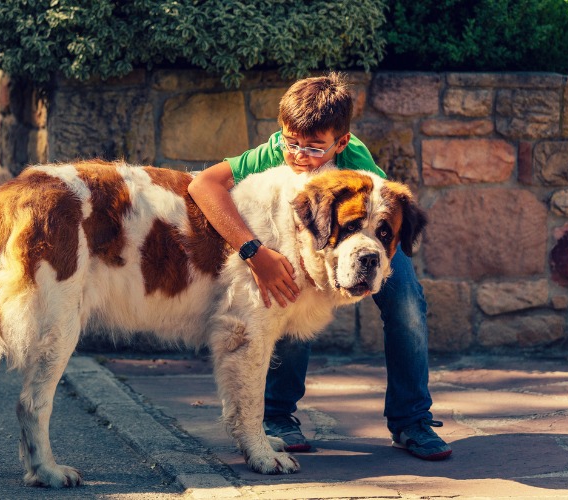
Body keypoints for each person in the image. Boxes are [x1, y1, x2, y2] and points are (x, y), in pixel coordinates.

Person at [188, 72, 451, 461]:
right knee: (289, 292)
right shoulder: (276, 150)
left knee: (407, 303)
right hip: (307, 246)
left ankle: (412, 420)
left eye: (314, 148)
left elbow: (384, 219)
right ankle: (277, 415)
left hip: (369, 241)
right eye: (291, 143)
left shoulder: (357, 162)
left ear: (340, 142)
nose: (298, 156)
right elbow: (203, 185)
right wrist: (254, 251)